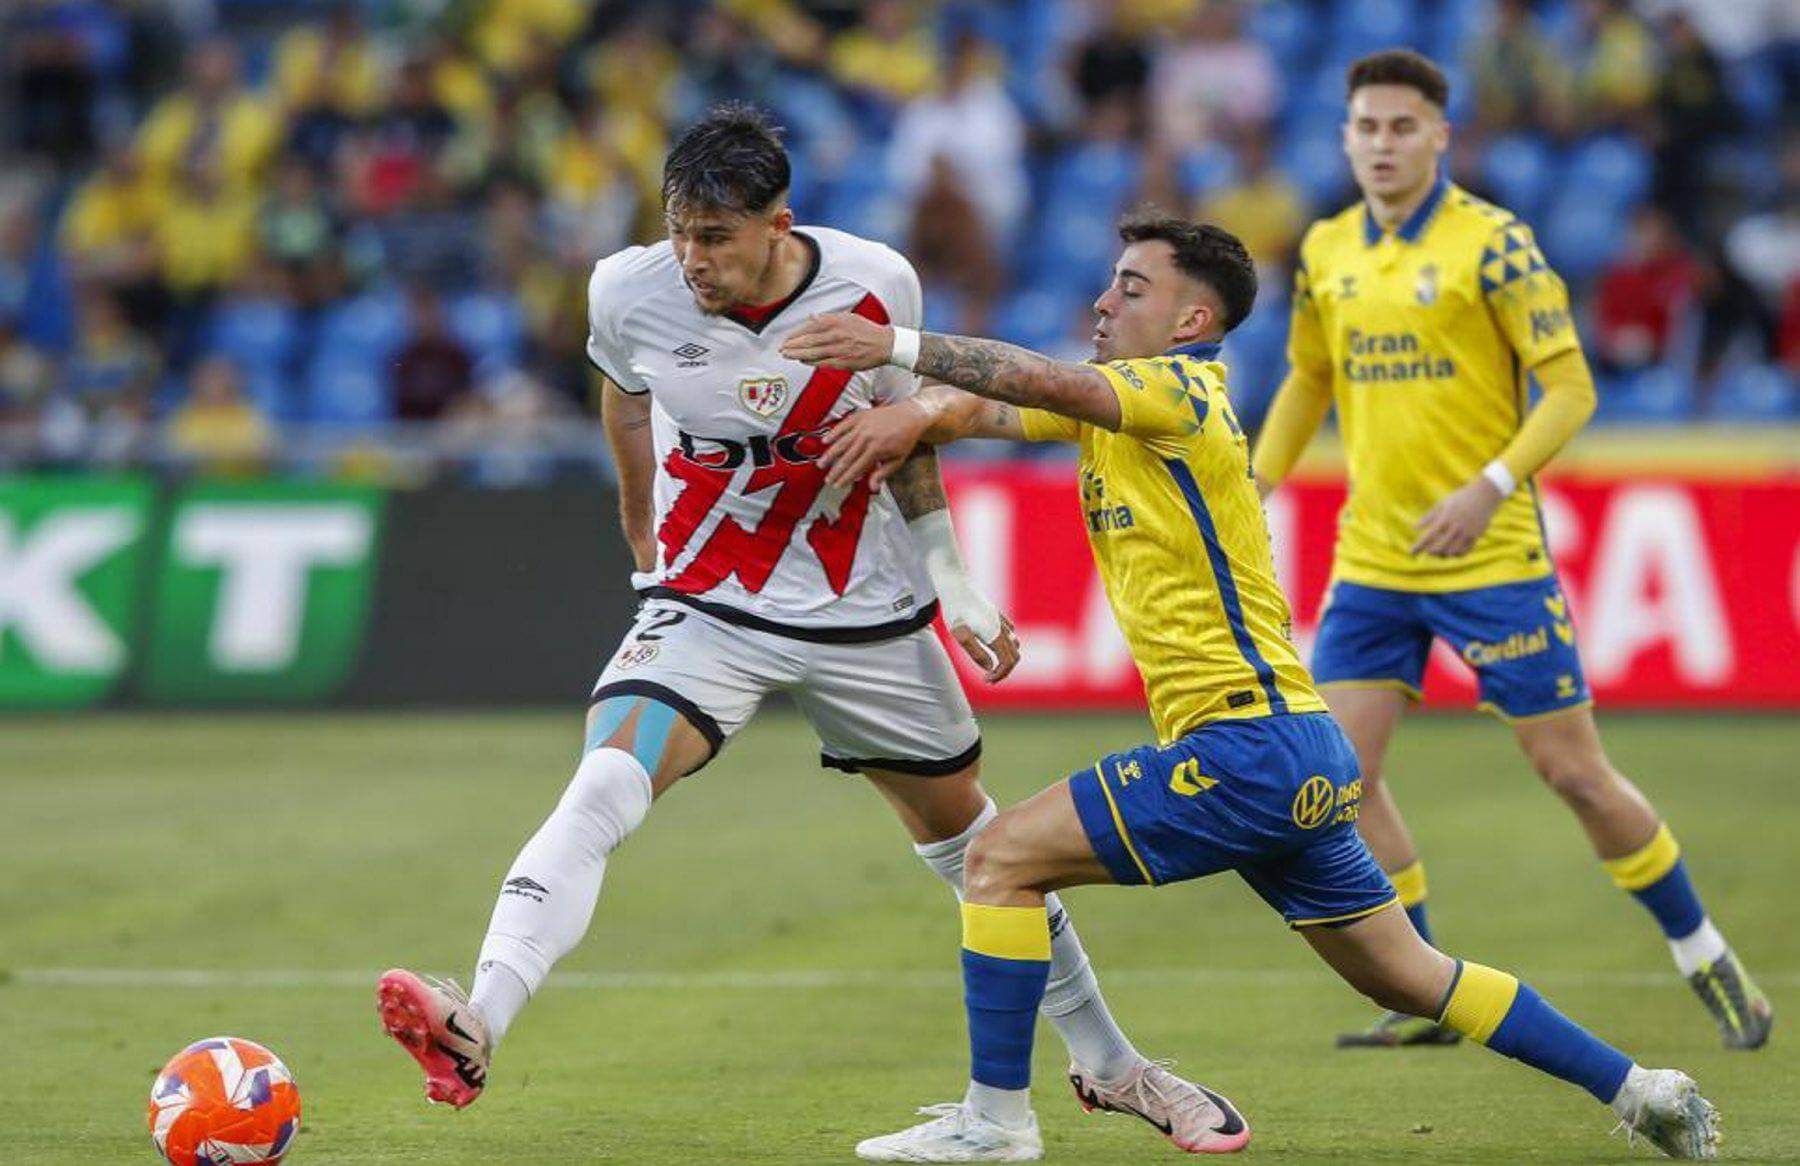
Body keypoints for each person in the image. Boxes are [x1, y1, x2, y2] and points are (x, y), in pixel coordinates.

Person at [781, 213, 1720, 1161]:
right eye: (1110, 283)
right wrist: (914, 411)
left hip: (1242, 748)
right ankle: (1641, 1089)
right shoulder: (1121, 408)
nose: (1103, 303)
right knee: (1408, 976)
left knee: (998, 860)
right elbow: (985, 408)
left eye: (1132, 290)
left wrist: (893, 344)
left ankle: (996, 1123)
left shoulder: (1178, 392)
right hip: (1299, 748)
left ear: (1192, 322)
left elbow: (1035, 379)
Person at [374, 105, 1224, 1149]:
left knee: (977, 848)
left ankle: (1111, 1065)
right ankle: (481, 1017)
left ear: (780, 224)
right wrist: (641, 524)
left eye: (715, 236)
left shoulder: (875, 284)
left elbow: (910, 432)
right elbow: (626, 396)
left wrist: (953, 580)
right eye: (678, 232)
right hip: (709, 603)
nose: (692, 258)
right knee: (603, 784)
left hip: (867, 611)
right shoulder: (627, 289)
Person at [1251, 49, 1771, 1051]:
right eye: (1367, 127)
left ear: (1440, 137)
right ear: (1346, 138)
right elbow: (1310, 378)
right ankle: (1424, 988)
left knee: (1573, 772)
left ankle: (1702, 949)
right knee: (1340, 777)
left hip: (1492, 558)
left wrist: (1490, 485)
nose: (1383, 144)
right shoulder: (1325, 249)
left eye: (1403, 127)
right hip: (1376, 558)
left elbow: (1571, 388)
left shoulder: (1495, 245)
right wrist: (1256, 484)